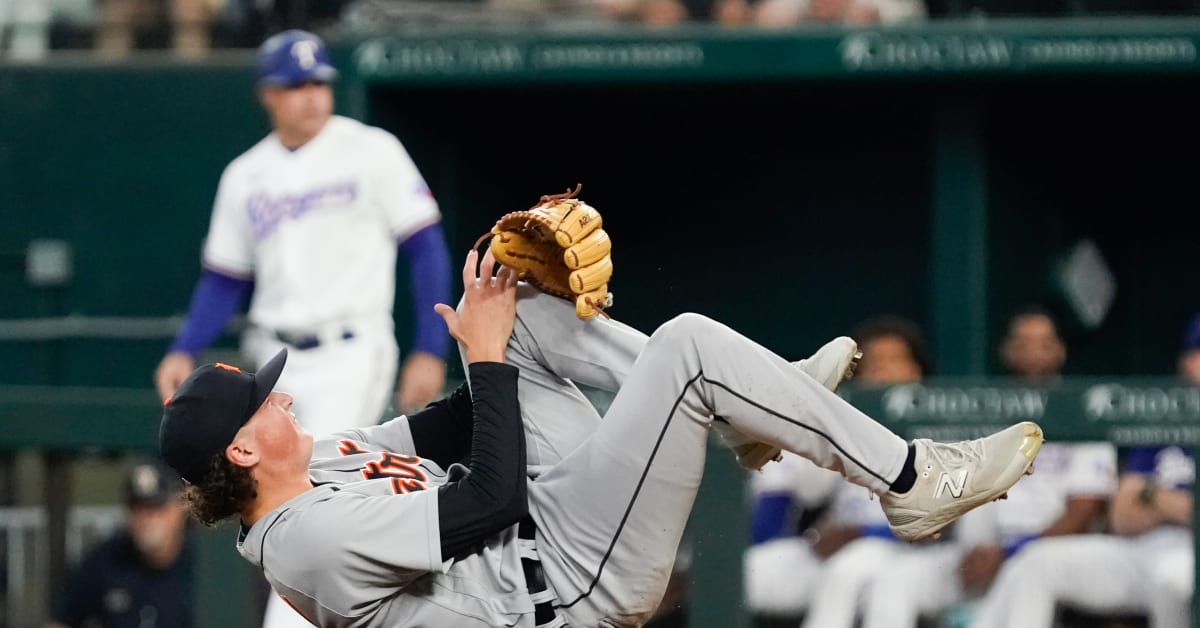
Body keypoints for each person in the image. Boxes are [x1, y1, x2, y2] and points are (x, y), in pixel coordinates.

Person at [158, 244, 1043, 628]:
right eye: (264, 406)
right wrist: (491, 361)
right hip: (570, 592)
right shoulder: (300, 542)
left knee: (528, 310)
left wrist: (489, 318)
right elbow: (487, 500)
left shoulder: (325, 461)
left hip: (548, 533)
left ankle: (755, 405)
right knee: (691, 346)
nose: (283, 404)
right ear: (240, 451)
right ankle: (913, 480)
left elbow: (451, 423)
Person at [153, 29, 451, 434]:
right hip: (272, 353)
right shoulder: (244, 174)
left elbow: (425, 248)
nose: (311, 95)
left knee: (318, 471)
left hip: (350, 349)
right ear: (268, 95)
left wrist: (431, 349)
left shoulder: (372, 149)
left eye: (318, 82)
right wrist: (183, 349)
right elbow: (225, 279)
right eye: (295, 85)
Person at [968, 315, 1200, 628]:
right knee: (1036, 563)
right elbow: (1122, 514)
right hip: (1139, 550)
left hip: (1183, 556)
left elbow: (1138, 500)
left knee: (1175, 580)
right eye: (1195, 355)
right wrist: (1177, 506)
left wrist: (1157, 499)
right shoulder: (1165, 423)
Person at [46, 459, 192, 628]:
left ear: (180, 508)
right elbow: (60, 621)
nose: (147, 519)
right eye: (138, 508)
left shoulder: (203, 565)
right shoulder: (105, 561)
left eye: (156, 508)